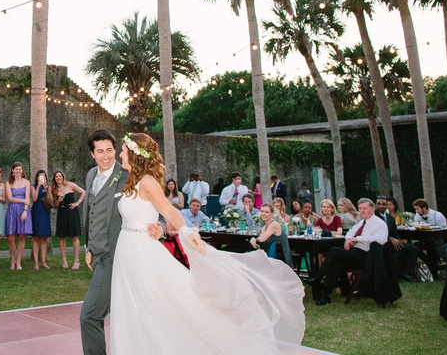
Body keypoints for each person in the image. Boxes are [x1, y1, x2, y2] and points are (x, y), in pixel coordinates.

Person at [109, 132, 305, 354]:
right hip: (126, 248)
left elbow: (168, 211)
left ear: (135, 154)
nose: (120, 153)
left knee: (154, 305)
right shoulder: (130, 181)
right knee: (131, 306)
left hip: (141, 251)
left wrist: (185, 230)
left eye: (124, 149)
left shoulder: (147, 181)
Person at [79, 129, 164, 355]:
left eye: (109, 150)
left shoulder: (129, 174)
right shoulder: (90, 176)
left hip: (116, 255)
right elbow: (90, 211)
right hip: (97, 255)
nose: (106, 156)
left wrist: (161, 227)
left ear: (116, 150)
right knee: (126, 315)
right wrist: (88, 246)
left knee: (89, 316)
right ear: (92, 154)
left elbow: (158, 205)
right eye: (100, 152)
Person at [308, 198, 388, 305]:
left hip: (368, 257)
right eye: (360, 209)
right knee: (335, 263)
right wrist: (349, 239)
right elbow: (350, 232)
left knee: (335, 251)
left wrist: (358, 239)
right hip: (356, 254)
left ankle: (317, 279)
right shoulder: (362, 222)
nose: (362, 211)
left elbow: (381, 239)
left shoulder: (379, 223)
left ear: (372, 210)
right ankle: (324, 296)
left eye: (365, 208)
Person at [375, 196, 419, 283]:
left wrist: (398, 240)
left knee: (414, 249)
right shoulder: (373, 217)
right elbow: (375, 233)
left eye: (384, 204)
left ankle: (407, 273)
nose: (381, 206)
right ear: (376, 205)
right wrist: (391, 239)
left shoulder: (390, 218)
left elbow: (395, 233)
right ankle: (394, 273)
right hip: (380, 242)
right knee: (400, 248)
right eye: (379, 204)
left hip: (392, 241)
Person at [52, 170, 85, 269]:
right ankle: (64, 260)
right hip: (61, 213)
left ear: (63, 177)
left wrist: (77, 203)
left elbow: (83, 192)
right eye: (56, 177)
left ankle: (76, 261)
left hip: (72, 213)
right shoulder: (54, 190)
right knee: (62, 237)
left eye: (60, 176)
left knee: (74, 236)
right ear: (54, 179)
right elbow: (55, 206)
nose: (58, 178)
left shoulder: (70, 185)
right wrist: (58, 201)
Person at [4, 162, 32, 270]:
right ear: (12, 170)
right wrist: (23, 200)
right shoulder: (8, 183)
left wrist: (25, 211)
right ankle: (12, 260)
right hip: (12, 210)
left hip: (23, 210)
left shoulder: (26, 182)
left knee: (21, 236)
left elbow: (27, 199)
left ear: (22, 171)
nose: (18, 171)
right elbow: (10, 198)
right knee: (10, 237)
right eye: (16, 169)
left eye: (20, 169)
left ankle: (19, 261)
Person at [30, 168, 53, 270]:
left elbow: (51, 201)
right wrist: (38, 186)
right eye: (40, 176)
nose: (41, 178)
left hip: (45, 212)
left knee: (44, 237)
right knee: (36, 237)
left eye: (43, 176)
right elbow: (34, 199)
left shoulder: (48, 188)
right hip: (37, 211)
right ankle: (36, 262)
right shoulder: (33, 187)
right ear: (37, 178)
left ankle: (43, 262)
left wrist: (48, 190)